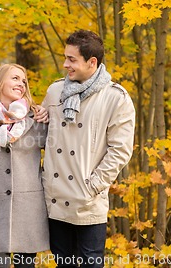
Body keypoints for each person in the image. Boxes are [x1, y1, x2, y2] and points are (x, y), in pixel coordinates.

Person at [41, 30, 136, 268]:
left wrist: (92, 186)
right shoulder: (55, 91)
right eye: (65, 58)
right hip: (56, 198)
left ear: (92, 62)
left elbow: (120, 151)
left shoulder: (116, 98)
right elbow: (42, 137)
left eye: (72, 59)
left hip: (88, 202)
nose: (65, 64)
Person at [0, 63, 49, 268]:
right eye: (15, 78)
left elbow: (55, 157)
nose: (21, 84)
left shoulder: (36, 118)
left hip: (29, 207)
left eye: (24, 81)